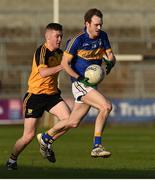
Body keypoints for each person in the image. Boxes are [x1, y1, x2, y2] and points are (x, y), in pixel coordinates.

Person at [37, 8, 116, 160]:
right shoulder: (77, 40)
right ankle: (96, 146)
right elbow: (65, 64)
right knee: (106, 106)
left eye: (101, 25)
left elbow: (111, 56)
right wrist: (79, 78)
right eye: (96, 25)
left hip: (91, 86)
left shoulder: (103, 36)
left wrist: (111, 63)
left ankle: (46, 137)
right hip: (80, 84)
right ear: (87, 23)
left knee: (73, 122)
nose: (99, 28)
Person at [6, 23, 70, 170]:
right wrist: (63, 66)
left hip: (52, 95)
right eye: (57, 36)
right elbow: (43, 73)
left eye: (61, 36)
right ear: (48, 36)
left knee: (70, 121)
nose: (60, 39)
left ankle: (46, 140)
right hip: (35, 96)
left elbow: (72, 62)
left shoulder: (60, 53)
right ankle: (12, 159)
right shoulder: (41, 51)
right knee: (28, 136)